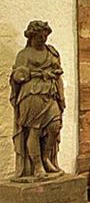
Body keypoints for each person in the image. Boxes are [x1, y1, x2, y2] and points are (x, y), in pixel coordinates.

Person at [10, 20, 65, 181]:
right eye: (39, 37)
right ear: (31, 37)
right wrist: (35, 73)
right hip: (31, 95)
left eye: (45, 36)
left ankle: (46, 157)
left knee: (55, 126)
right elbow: (18, 76)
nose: (43, 39)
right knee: (33, 130)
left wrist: (61, 96)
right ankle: (37, 165)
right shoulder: (24, 54)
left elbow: (58, 73)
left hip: (50, 93)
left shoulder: (51, 52)